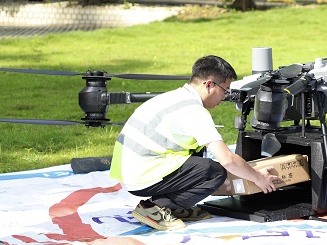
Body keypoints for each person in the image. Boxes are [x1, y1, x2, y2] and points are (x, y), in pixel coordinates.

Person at [109, 55, 280, 231]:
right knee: (213, 172)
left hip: (131, 169)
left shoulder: (174, 96)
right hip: (142, 175)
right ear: (209, 84)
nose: (225, 97)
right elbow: (227, 159)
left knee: (199, 152)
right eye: (225, 90)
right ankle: (154, 208)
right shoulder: (194, 112)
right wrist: (259, 178)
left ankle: (177, 207)